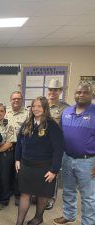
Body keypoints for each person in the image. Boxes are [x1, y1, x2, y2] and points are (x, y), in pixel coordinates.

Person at [15, 96, 64, 225]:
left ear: (45, 108)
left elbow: (58, 149)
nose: (36, 109)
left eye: (39, 106)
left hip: (44, 167)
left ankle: (38, 217)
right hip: (26, 165)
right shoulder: (27, 123)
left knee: (42, 195)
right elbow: (19, 143)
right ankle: (19, 222)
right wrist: (17, 159)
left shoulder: (51, 125)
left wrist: (54, 170)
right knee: (25, 194)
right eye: (33, 106)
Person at [53, 82, 95, 225]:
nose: (81, 95)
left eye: (85, 92)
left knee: (88, 196)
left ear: (92, 94)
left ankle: (88, 222)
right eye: (78, 92)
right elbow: (60, 136)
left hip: (88, 161)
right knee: (68, 190)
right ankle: (69, 215)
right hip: (67, 158)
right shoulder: (66, 112)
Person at [45, 79, 69, 210]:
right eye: (50, 89)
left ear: (60, 91)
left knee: (54, 171)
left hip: (55, 146)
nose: (52, 92)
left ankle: (50, 198)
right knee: (41, 171)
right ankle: (40, 194)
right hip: (41, 145)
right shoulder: (42, 104)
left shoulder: (66, 108)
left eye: (55, 90)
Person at [5, 91, 29, 206]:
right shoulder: (5, 111)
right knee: (8, 170)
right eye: (14, 99)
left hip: (20, 146)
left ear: (22, 100)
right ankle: (9, 190)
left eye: (18, 98)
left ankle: (18, 194)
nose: (16, 100)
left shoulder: (27, 113)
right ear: (10, 100)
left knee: (19, 172)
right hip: (7, 145)